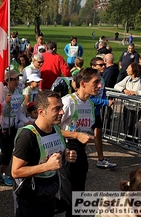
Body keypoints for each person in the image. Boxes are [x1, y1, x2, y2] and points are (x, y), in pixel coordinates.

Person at [12, 90, 77, 217]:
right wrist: (47, 166)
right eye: (56, 109)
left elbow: (54, 156)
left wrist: (66, 156)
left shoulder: (57, 129)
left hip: (50, 192)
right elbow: (15, 172)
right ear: (41, 112)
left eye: (62, 108)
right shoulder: (27, 136)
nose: (62, 112)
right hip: (30, 197)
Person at [59, 68, 101, 216]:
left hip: (80, 152)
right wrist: (76, 135)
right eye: (95, 82)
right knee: (69, 199)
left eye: (100, 82)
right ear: (83, 83)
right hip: (66, 150)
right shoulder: (67, 102)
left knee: (79, 196)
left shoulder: (90, 104)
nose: (100, 85)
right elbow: (51, 128)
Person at [0, 70, 31, 186]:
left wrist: (26, 121)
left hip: (12, 127)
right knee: (5, 153)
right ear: (7, 81)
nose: (17, 82)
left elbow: (17, 111)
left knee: (10, 152)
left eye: (18, 79)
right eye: (14, 79)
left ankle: (3, 174)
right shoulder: (2, 92)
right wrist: (5, 102)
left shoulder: (18, 92)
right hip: (1, 127)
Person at [89, 57, 116, 168]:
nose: (104, 66)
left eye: (104, 64)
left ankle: (101, 159)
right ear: (93, 66)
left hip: (96, 112)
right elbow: (89, 98)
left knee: (98, 135)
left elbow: (103, 93)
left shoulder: (102, 80)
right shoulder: (89, 81)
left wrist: (105, 101)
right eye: (100, 65)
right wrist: (105, 102)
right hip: (85, 111)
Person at [114, 63, 141, 141]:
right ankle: (127, 139)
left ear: (134, 69)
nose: (126, 69)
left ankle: (134, 140)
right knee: (125, 122)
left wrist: (136, 92)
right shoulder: (127, 78)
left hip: (137, 106)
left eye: (128, 68)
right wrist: (123, 90)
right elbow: (116, 86)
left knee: (132, 124)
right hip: (127, 104)